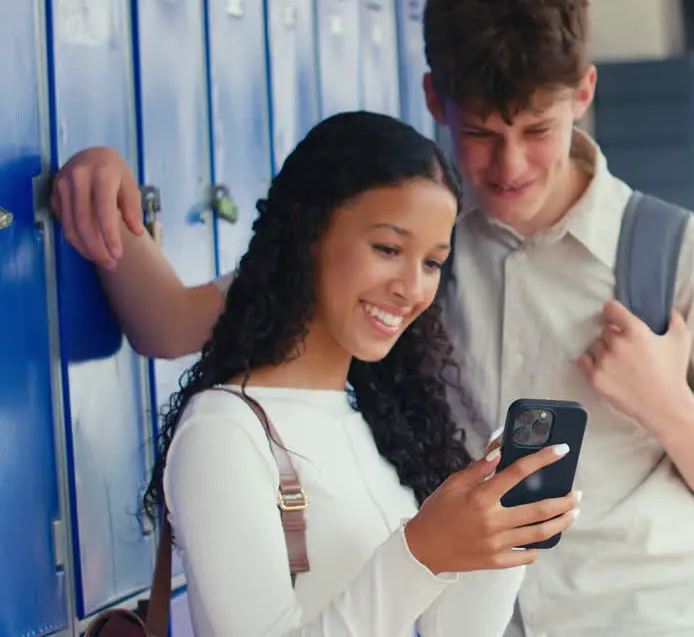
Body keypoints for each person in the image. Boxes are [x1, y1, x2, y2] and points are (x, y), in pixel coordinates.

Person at [50, 0, 694, 636]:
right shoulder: (410, 242)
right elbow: (178, 322)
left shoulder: (684, 258)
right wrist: (107, 185)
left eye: (539, 130)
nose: (511, 166)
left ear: (584, 94)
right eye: (481, 133)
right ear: (436, 98)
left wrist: (665, 401)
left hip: (660, 615)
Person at [144, 110, 579, 635]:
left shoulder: (377, 421)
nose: (411, 287)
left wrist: (503, 539)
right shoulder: (224, 430)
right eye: (389, 249)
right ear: (309, 230)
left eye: (432, 263)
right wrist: (419, 552)